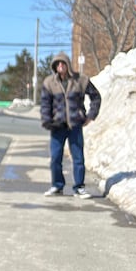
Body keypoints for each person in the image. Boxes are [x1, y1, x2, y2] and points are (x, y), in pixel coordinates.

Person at [39, 52, 101, 197]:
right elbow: (45, 104)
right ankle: (57, 185)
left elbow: (96, 97)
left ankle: (79, 187)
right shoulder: (49, 83)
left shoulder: (80, 80)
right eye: (57, 64)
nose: (60, 66)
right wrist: (47, 121)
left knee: (78, 158)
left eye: (63, 63)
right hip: (57, 126)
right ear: (54, 67)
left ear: (67, 64)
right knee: (55, 158)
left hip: (75, 125)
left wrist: (91, 115)